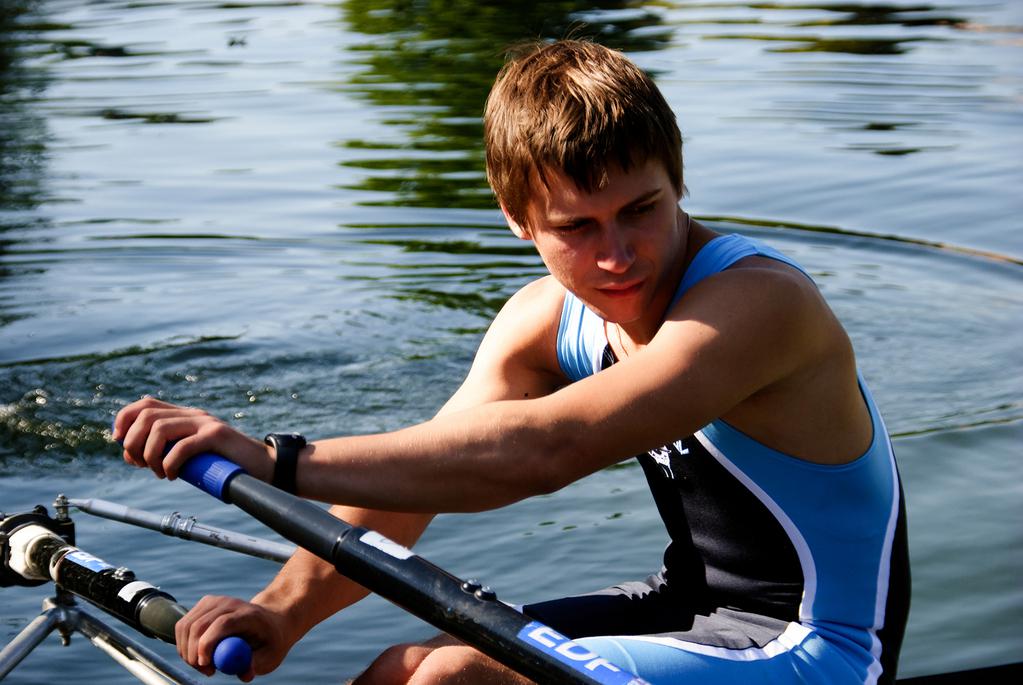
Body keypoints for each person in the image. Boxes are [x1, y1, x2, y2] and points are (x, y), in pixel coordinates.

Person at [114, 40, 910, 685]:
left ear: (678, 179)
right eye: (577, 227)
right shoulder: (539, 322)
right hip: (687, 608)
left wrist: (273, 458)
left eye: (641, 209)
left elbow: (541, 450)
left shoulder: (757, 306)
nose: (619, 255)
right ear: (517, 218)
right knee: (404, 669)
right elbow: (418, 484)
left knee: (456, 679)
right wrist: (282, 610)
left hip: (817, 651)